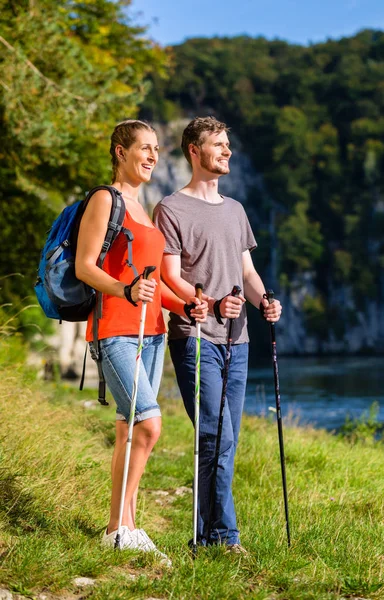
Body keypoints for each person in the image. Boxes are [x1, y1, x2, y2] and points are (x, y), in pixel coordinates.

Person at [75, 119, 207, 558]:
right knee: (148, 425)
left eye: (156, 149)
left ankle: (125, 525)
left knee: (129, 431)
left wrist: (184, 306)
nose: (153, 156)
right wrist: (125, 290)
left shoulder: (143, 205)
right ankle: (117, 527)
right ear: (120, 152)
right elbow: (85, 266)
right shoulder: (104, 199)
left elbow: (155, 284)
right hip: (114, 330)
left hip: (151, 333)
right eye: (144, 148)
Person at [153, 116, 282, 552]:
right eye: (219, 145)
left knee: (225, 441)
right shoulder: (170, 208)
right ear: (194, 150)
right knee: (216, 436)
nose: (227, 152)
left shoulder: (235, 210)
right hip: (195, 337)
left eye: (228, 145)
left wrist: (264, 300)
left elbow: (246, 272)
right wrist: (204, 301)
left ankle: (206, 539)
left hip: (238, 340)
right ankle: (225, 538)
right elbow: (171, 276)